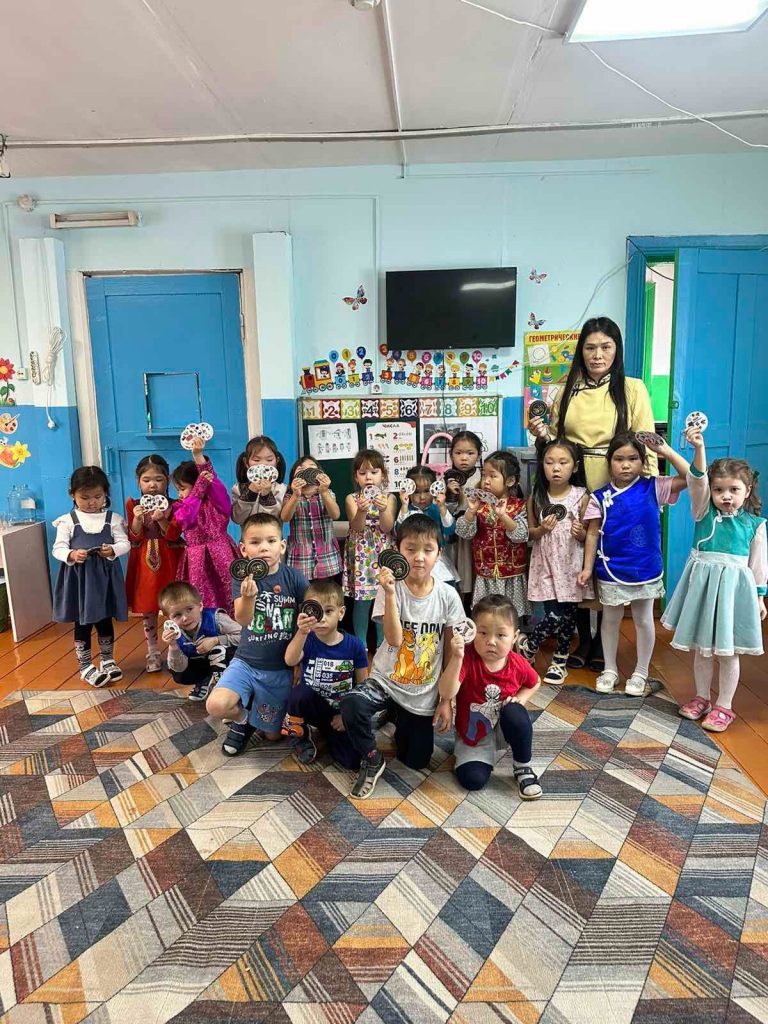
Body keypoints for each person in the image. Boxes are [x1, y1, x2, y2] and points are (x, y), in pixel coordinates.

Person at [528, 316, 657, 672]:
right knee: (575, 556)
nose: (597, 355)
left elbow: (645, 440)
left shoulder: (632, 388)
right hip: (574, 479)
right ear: (580, 351)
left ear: (617, 350)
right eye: (590, 347)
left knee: (605, 552)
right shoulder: (567, 390)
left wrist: (647, 493)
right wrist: (540, 433)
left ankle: (602, 641)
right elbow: (556, 441)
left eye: (605, 347)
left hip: (616, 481)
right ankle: (583, 638)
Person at [340, 513, 466, 799]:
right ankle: (372, 760)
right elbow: (395, 640)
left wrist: (446, 700)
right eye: (411, 549)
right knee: (351, 704)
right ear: (398, 551)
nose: (419, 557)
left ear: (439, 554)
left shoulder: (448, 596)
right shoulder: (389, 588)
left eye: (427, 550)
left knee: (416, 760)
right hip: (386, 680)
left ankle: (397, 715)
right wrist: (389, 593)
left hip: (422, 689)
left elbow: (451, 649)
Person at [662, 434, 767, 732]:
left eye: (734, 490)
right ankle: (702, 698)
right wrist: (699, 447)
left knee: (728, 651)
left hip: (734, 594)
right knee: (702, 649)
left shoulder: (755, 525)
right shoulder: (703, 511)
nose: (726, 496)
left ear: (747, 491)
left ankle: (725, 706)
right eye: (719, 490)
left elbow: (758, 567)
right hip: (704, 589)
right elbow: (696, 479)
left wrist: (759, 597)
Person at [578, 432, 690, 695]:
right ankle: (610, 669)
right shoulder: (599, 496)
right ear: (609, 462)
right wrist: (586, 568)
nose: (625, 465)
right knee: (610, 619)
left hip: (645, 567)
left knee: (643, 619)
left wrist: (665, 451)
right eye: (619, 459)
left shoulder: (655, 487)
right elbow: (592, 534)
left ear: (643, 461)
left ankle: (641, 672)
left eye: (632, 459)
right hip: (611, 568)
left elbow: (691, 477)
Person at [206, 513, 308, 755]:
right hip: (247, 662)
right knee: (216, 705)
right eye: (255, 542)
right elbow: (243, 620)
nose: (264, 547)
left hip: (280, 669)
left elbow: (307, 621)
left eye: (271, 541)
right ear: (243, 549)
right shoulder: (242, 577)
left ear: (282, 546)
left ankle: (254, 707)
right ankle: (243, 721)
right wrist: (249, 597)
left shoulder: (294, 578)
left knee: (272, 736)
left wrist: (300, 665)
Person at [442, 595, 542, 797]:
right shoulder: (467, 658)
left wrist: (520, 699)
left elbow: (535, 682)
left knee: (515, 712)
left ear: (514, 637)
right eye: (483, 633)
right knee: (473, 780)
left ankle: (523, 766)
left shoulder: (517, 663)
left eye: (501, 635)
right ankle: (474, 756)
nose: (491, 642)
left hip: (503, 727)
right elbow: (446, 692)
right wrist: (457, 658)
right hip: (474, 734)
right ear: (472, 632)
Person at [519, 438, 592, 685]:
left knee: (568, 616)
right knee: (553, 615)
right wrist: (541, 529)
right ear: (542, 465)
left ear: (575, 466)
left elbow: (590, 535)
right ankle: (533, 647)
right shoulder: (537, 497)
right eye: (550, 462)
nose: (556, 468)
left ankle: (557, 660)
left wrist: (580, 533)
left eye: (563, 462)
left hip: (571, 565)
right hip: (546, 564)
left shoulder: (581, 497)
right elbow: (530, 533)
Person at [52, 466, 129, 687]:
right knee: (82, 622)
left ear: (106, 494)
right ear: (72, 495)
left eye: (97, 496)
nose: (92, 502)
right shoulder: (67, 520)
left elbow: (125, 543)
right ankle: (85, 666)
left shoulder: (113, 519)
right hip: (80, 581)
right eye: (84, 498)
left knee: (105, 619)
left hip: (105, 580)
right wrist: (71, 554)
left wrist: (113, 550)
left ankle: (107, 659)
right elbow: (58, 548)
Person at [283, 579, 368, 765]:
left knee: (352, 761)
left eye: (328, 611)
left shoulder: (355, 645)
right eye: (316, 611)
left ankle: (328, 734)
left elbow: (363, 686)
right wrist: (301, 632)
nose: (321, 618)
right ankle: (299, 737)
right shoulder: (307, 640)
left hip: (339, 711)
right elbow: (290, 660)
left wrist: (347, 717)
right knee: (299, 693)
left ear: (341, 613)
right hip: (312, 705)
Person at [125, 455, 184, 673]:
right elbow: (133, 536)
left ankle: (177, 647)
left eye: (158, 479)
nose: (152, 485)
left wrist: (161, 519)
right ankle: (152, 651)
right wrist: (137, 519)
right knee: (148, 606)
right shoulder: (133, 505)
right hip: (144, 562)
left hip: (171, 558)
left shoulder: (176, 505)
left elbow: (174, 534)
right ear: (138, 481)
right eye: (146, 480)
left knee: (174, 604)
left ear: (167, 480)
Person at [455, 450, 529, 618]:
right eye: (484, 475)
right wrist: (471, 512)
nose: (486, 481)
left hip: (512, 575)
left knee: (510, 617)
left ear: (510, 481)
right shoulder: (478, 505)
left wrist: (503, 515)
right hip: (485, 575)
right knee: (486, 616)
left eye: (493, 476)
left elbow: (520, 535)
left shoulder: (519, 506)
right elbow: (464, 532)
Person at [173, 436, 239, 611]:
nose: (179, 494)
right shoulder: (181, 507)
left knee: (229, 595)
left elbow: (212, 480)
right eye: (177, 490)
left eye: (182, 489)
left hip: (221, 554)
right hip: (196, 560)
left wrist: (198, 456)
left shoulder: (217, 504)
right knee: (200, 598)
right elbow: (185, 519)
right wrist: (198, 490)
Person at [343, 449, 397, 649]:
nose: (368, 477)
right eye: (363, 473)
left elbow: (387, 527)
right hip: (361, 555)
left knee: (383, 598)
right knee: (362, 601)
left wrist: (383, 509)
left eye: (374, 472)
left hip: (383, 554)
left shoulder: (389, 498)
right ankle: (361, 644)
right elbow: (356, 527)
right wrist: (362, 510)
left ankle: (383, 644)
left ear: (383, 475)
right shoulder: (351, 498)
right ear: (356, 477)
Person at [159, 581, 240, 701]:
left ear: (200, 606)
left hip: (229, 661)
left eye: (189, 609)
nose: (185, 618)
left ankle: (225, 685)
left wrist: (216, 640)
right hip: (200, 664)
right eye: (177, 615)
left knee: (220, 651)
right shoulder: (175, 633)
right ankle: (204, 681)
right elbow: (179, 669)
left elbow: (245, 636)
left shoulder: (216, 618)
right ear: (168, 619)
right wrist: (173, 646)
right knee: (178, 674)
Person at [396, 465, 459, 587]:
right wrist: (404, 506)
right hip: (413, 562)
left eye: (426, 491)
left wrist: (442, 507)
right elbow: (398, 532)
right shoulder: (406, 511)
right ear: (408, 491)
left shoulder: (437, 509)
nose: (422, 497)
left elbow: (450, 530)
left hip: (437, 562)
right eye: (416, 492)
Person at [281, 456, 342, 581]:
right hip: (300, 560)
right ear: (294, 476)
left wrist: (324, 492)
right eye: (301, 469)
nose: (307, 470)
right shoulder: (290, 496)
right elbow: (285, 517)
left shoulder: (327, 493)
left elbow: (335, 515)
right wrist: (296, 495)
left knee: (328, 592)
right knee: (303, 592)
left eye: (312, 467)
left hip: (328, 559)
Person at [447, 431, 483, 608]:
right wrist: (450, 494)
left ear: (479, 455)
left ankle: (473, 610)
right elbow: (443, 511)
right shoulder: (446, 479)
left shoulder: (483, 478)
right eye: (458, 453)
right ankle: (456, 611)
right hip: (453, 536)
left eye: (470, 453)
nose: (464, 458)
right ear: (451, 454)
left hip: (477, 535)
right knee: (455, 575)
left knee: (473, 574)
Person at [231, 435, 287, 525]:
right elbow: (238, 519)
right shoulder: (238, 489)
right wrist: (250, 493)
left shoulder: (282, 489)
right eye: (256, 460)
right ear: (246, 462)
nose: (263, 464)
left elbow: (278, 518)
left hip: (273, 534)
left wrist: (267, 495)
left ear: (277, 461)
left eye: (269, 460)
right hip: (248, 534)